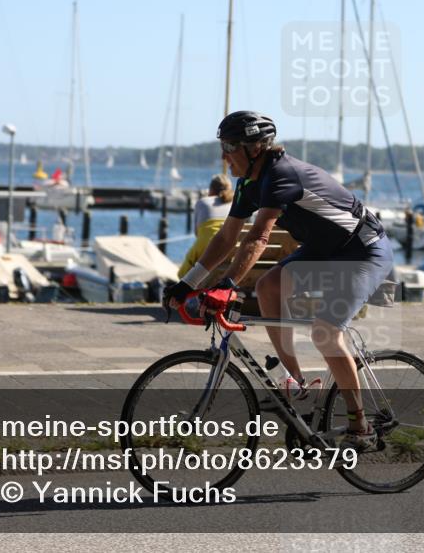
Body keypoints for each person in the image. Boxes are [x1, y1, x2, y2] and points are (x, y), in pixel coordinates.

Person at [163, 111, 393, 450]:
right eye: (222, 147)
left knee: (325, 331)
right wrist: (187, 284)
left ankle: (360, 425)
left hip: (363, 251)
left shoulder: (281, 175)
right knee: (267, 287)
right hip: (324, 249)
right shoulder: (248, 184)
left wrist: (227, 286)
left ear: (255, 148)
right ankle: (296, 381)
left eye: (229, 147)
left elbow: (258, 235)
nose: (223, 156)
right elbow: (227, 238)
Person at [177, 174, 233, 277]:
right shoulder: (234, 204)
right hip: (231, 251)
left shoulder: (202, 202)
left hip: (206, 246)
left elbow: (197, 233)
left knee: (181, 275)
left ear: (211, 189)